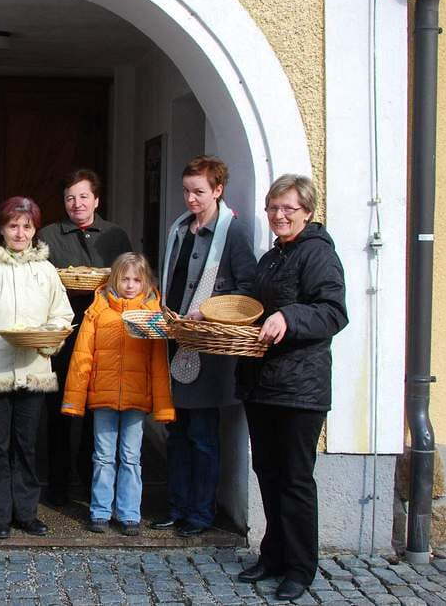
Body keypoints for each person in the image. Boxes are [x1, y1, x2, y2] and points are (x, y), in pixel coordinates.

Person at [235, 174, 347, 602]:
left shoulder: (318, 254)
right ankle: (274, 554)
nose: (279, 215)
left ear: (308, 212)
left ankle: (300, 567)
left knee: (296, 479)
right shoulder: (272, 257)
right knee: (268, 472)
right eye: (273, 208)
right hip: (262, 383)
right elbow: (255, 308)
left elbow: (333, 312)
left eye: (288, 209)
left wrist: (291, 317)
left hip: (301, 388)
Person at [0, 196, 74, 540]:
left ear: (35, 230)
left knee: (27, 445)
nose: (20, 233)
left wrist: (47, 338)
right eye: (13, 226)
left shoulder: (45, 270)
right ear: (1, 229)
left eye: (27, 227)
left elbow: (62, 314)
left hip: (34, 369)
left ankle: (26, 512)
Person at [151, 156, 256, 537]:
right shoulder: (179, 229)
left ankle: (201, 512)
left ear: (218, 189)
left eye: (199, 191)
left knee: (202, 435)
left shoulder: (234, 232)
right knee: (175, 433)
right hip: (174, 341)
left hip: (207, 352)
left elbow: (247, 288)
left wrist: (210, 311)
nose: (191, 199)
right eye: (186, 190)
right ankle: (177, 507)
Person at [61, 253, 175, 536]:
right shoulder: (98, 311)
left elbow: (158, 365)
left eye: (137, 279)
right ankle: (100, 510)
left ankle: (128, 513)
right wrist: (74, 399)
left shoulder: (152, 314)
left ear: (146, 281)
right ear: (114, 279)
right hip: (103, 396)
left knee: (131, 457)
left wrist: (163, 406)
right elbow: (82, 357)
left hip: (137, 398)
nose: (130, 285)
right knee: (102, 456)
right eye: (124, 279)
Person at [38, 169, 132, 506]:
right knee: (60, 408)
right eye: (69, 198)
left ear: (96, 199)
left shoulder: (115, 235)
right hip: (64, 333)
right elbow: (39, 280)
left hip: (106, 335)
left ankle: (95, 484)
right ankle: (58, 483)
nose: (76, 203)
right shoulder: (48, 234)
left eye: (82, 196)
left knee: (99, 410)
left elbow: (130, 279)